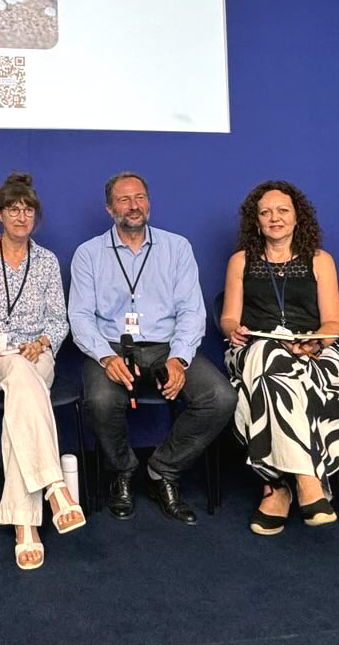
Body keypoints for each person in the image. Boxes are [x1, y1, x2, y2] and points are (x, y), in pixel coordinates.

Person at [68, 171, 236, 524]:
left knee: (220, 397)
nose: (134, 206)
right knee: (100, 401)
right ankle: (123, 471)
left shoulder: (177, 247)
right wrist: (105, 355)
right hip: (112, 345)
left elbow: (192, 310)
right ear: (109, 207)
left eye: (140, 197)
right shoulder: (89, 254)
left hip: (165, 346)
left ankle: (163, 469)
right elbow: (80, 316)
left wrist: (180, 357)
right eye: (125, 199)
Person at [0, 172, 84, 570]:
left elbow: (60, 320)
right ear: (0, 215)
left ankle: (25, 525)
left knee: (22, 384)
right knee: (19, 378)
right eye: (13, 210)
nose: (21, 217)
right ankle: (54, 485)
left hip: (35, 355)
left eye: (28, 210)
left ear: (36, 217)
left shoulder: (47, 261)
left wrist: (42, 342)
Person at [217, 180, 339, 534]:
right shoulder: (241, 261)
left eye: (282, 211)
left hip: (316, 350)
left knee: (280, 375)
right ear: (255, 221)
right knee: (269, 357)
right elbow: (229, 317)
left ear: (297, 217)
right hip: (253, 347)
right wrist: (232, 329)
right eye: (265, 212)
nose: (274, 218)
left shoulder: (320, 261)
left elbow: (334, 322)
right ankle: (309, 482)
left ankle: (276, 488)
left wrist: (316, 344)